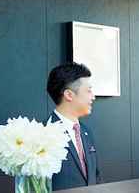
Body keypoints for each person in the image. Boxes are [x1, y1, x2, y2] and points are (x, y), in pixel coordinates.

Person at [45, 62, 101, 190]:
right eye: (88, 90)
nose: (93, 96)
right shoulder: (43, 134)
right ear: (69, 95)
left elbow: (96, 177)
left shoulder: (86, 132)